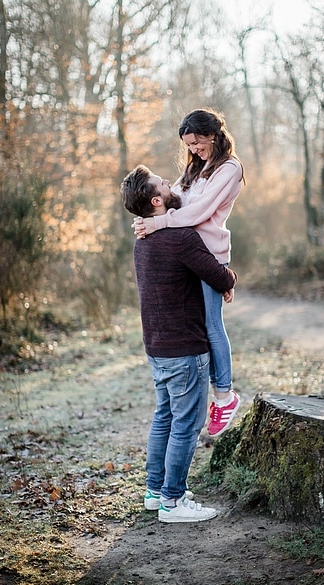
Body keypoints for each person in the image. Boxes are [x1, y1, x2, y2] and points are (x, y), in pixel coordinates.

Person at [121, 164, 238, 523]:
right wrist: (230, 276)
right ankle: (173, 502)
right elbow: (219, 276)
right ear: (157, 200)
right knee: (186, 424)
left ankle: (155, 492)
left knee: (164, 418)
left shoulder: (143, 239)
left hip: (156, 346)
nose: (171, 184)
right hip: (185, 348)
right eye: (163, 184)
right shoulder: (182, 238)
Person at [134, 109, 245, 436]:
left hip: (209, 253)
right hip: (187, 254)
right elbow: (176, 200)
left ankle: (224, 396)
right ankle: (210, 392)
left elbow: (199, 211)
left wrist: (159, 222)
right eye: (189, 145)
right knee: (194, 326)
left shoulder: (229, 168)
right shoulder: (196, 167)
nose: (193, 149)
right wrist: (146, 218)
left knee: (212, 324)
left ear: (212, 134)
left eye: (197, 142)